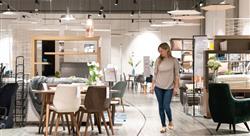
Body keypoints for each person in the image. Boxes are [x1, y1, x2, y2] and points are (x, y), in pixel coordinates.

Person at [150, 42, 180, 133]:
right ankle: (163, 125)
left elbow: (177, 75)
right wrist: (152, 86)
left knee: (166, 106)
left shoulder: (174, 60)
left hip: (169, 87)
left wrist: (176, 87)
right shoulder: (158, 60)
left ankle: (170, 120)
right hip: (158, 87)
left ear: (167, 49)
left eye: (161, 51)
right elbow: (155, 74)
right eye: (159, 51)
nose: (160, 53)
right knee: (161, 107)